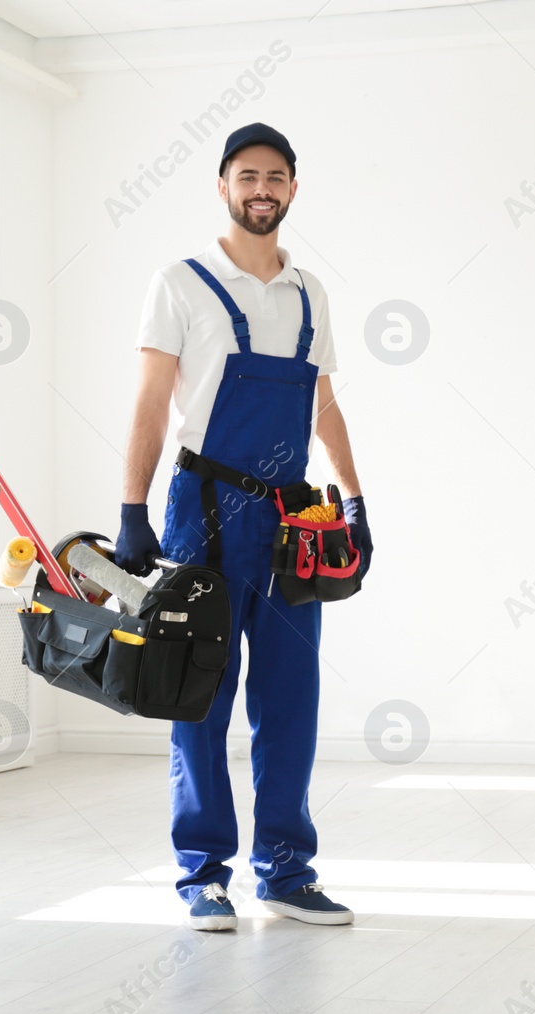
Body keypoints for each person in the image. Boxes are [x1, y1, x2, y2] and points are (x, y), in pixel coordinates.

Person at [115, 122, 372, 932]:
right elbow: (153, 404)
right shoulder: (181, 283)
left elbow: (321, 403)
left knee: (291, 696)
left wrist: (356, 502)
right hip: (204, 512)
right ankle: (202, 873)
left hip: (295, 516)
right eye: (246, 175)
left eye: (276, 177)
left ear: (294, 188)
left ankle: (288, 874)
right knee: (201, 694)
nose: (261, 189)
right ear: (223, 187)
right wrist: (131, 508)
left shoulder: (310, 294)